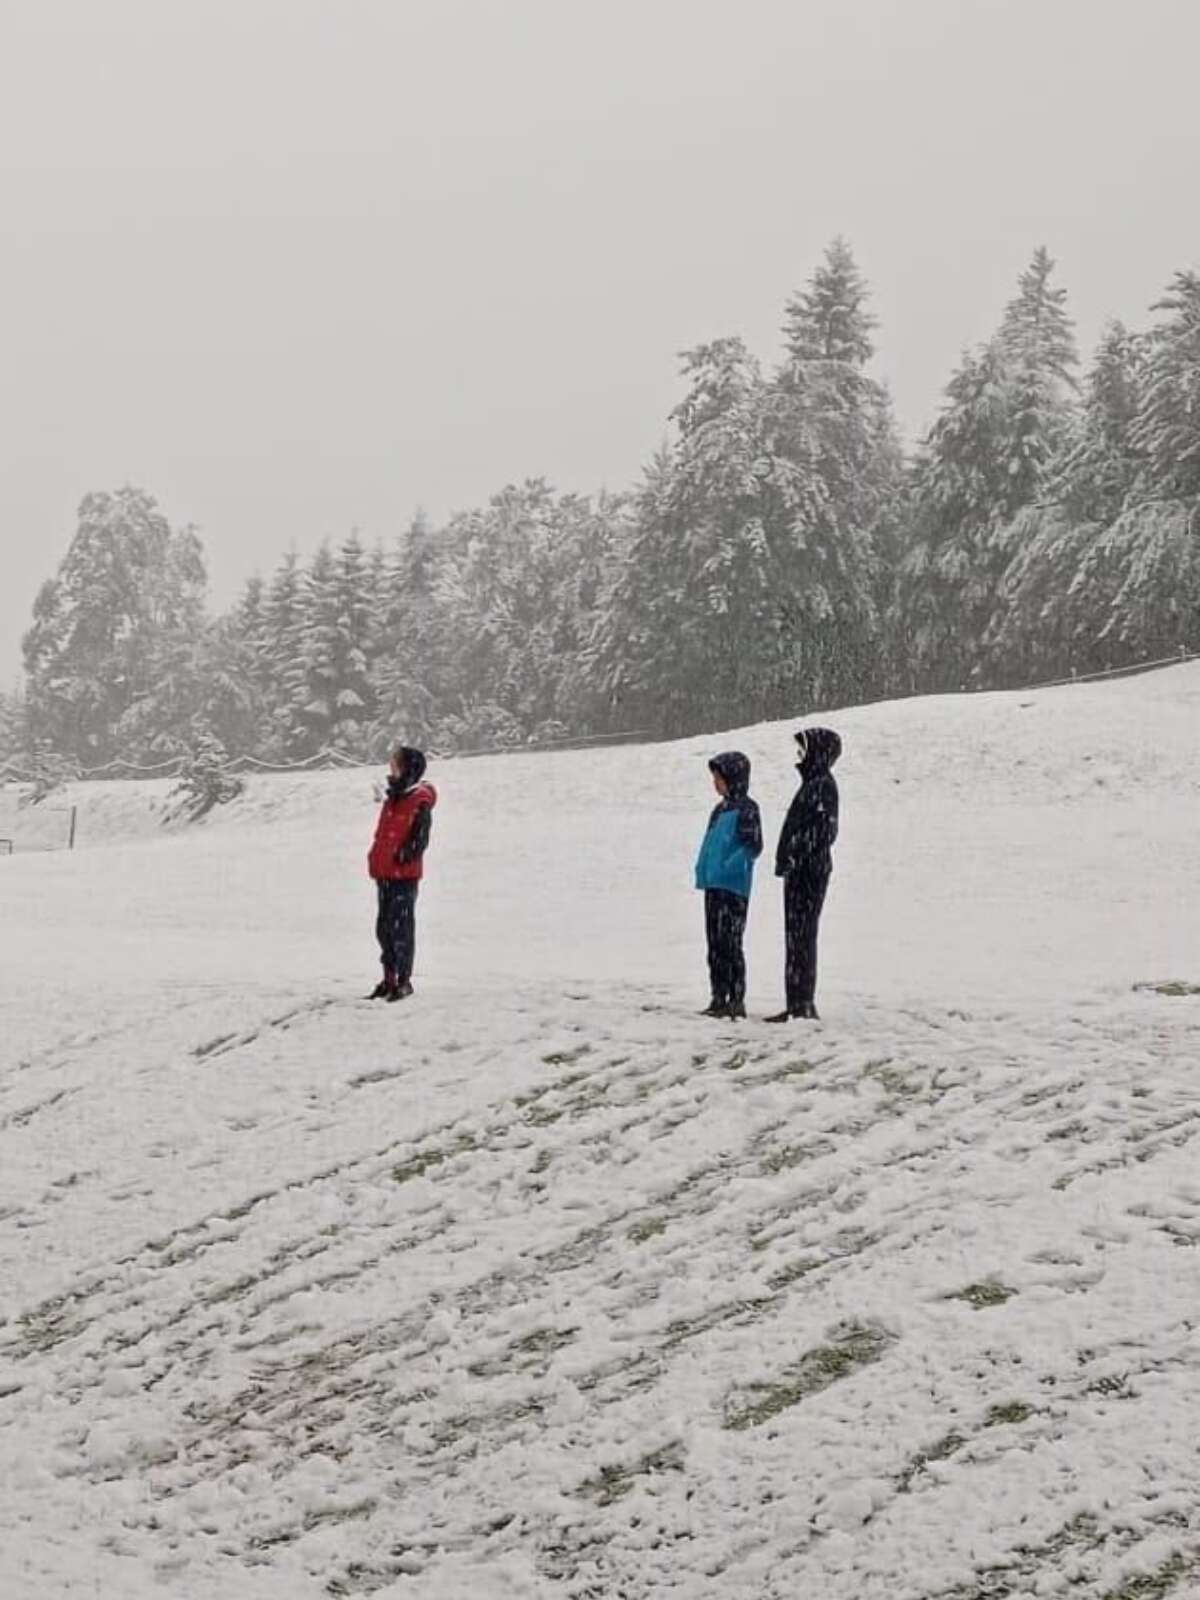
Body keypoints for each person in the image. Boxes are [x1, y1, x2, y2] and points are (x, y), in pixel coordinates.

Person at [767, 727, 841, 1022]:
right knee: (796, 937)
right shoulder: (813, 784)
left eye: (804, 749)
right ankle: (796, 1002)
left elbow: (823, 831)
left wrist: (796, 853)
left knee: (802, 937)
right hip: (801, 870)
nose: (799, 756)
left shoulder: (822, 786)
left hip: (809, 872)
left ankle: (802, 1003)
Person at [694, 751, 762, 1020]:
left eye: (719, 778)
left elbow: (752, 846)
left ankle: (736, 999)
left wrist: (727, 868)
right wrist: (703, 868)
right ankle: (718, 997)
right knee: (714, 945)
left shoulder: (747, 808)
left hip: (733, 887)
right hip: (713, 885)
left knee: (731, 944)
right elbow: (709, 843)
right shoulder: (719, 810)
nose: (715, 783)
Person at [367, 745, 437, 1001]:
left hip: (403, 876)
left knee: (401, 929)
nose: (391, 767)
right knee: (384, 928)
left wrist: (403, 856)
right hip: (384, 873)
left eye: (396, 763)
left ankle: (403, 981)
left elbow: (420, 839)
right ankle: (388, 978)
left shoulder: (419, 801)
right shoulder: (393, 798)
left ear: (408, 768)